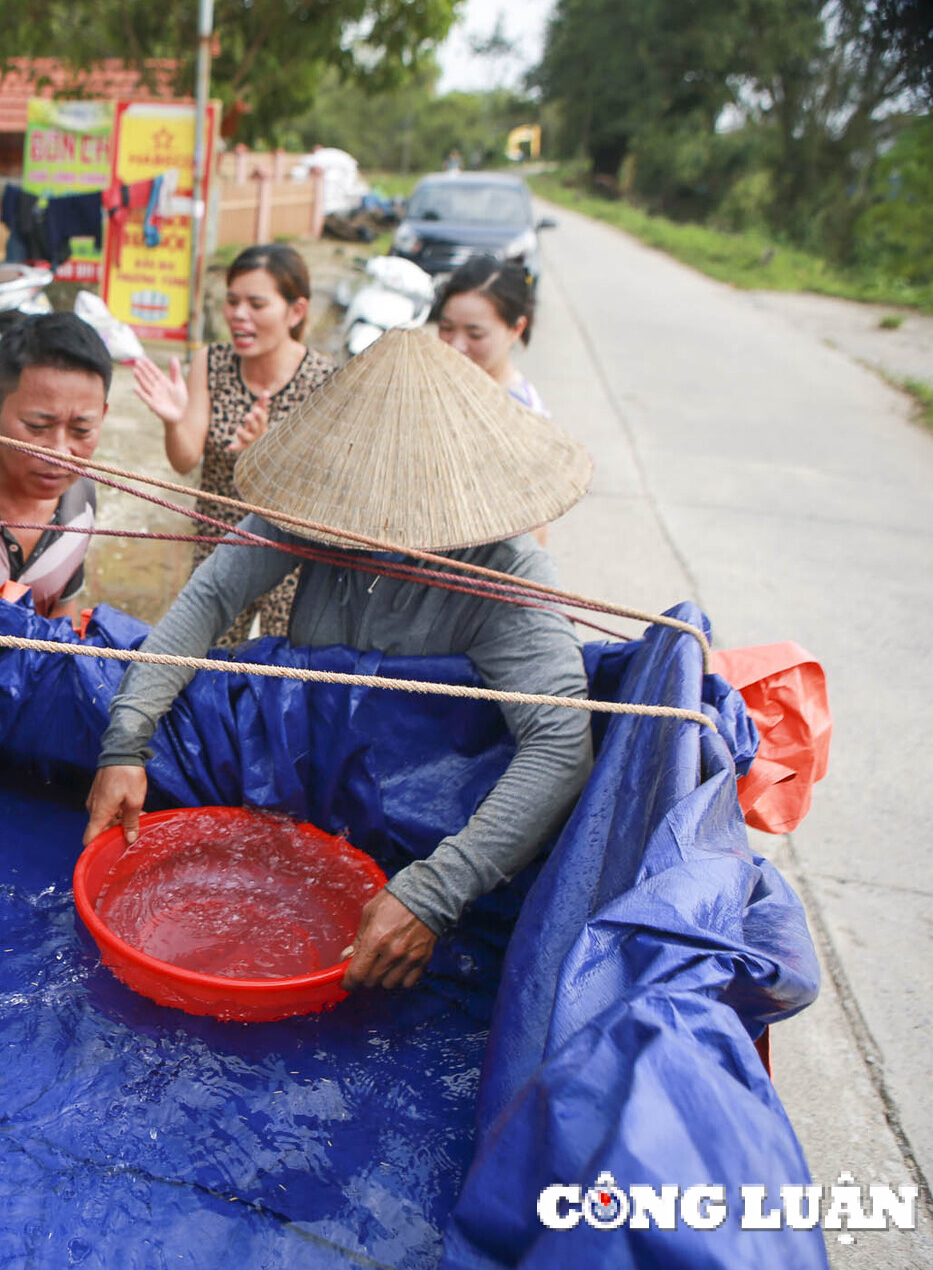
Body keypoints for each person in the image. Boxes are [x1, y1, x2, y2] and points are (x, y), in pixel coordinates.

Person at [83, 327, 596, 993]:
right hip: (304, 793)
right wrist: (127, 740)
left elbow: (560, 743)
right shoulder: (315, 506)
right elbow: (211, 597)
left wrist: (436, 891)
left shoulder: (506, 573)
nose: (372, 529)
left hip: (429, 835)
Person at [128, 245, 334, 646]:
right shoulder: (212, 362)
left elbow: (323, 488)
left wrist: (261, 457)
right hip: (219, 542)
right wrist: (174, 421)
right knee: (205, 660)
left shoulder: (323, 378)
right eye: (233, 301)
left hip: (291, 553)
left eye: (256, 304)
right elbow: (185, 458)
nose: (239, 315)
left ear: (295, 311)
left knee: (288, 670)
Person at [0, 313, 115, 621]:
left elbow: (59, 614)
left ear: (102, 416)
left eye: (81, 430)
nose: (60, 453)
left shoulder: (80, 502)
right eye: (38, 426)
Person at [434, 254, 546, 417]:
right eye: (446, 328)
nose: (455, 346)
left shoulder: (525, 415)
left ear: (516, 329)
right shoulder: (433, 387)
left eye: (475, 335)